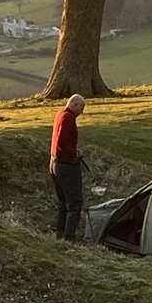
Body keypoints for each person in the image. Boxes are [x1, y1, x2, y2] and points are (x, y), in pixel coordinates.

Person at [49, 93, 87, 241]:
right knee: (75, 203)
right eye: (81, 108)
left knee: (63, 201)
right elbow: (62, 141)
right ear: (74, 105)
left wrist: (73, 149)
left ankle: (59, 233)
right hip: (66, 165)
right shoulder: (68, 117)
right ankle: (69, 237)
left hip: (54, 162)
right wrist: (74, 154)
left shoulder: (60, 114)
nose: (81, 112)